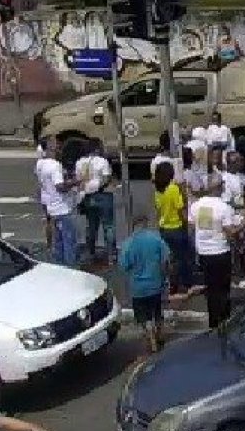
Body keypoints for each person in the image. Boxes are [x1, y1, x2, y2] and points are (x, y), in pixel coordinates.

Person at [188, 177, 239, 327]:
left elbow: (191, 225)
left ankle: (213, 321)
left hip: (204, 252)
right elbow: (231, 232)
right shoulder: (224, 207)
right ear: (220, 187)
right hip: (220, 251)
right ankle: (224, 320)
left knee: (211, 288)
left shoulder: (196, 205)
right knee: (223, 289)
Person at [119, 214, 171, 354]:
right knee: (157, 311)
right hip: (155, 284)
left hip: (137, 288)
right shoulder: (156, 238)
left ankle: (149, 333)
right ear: (146, 223)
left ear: (134, 226)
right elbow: (166, 260)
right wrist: (165, 278)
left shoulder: (128, 243)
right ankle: (159, 333)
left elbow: (124, 266)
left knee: (142, 315)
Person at [36, 140, 79, 266]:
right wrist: (75, 182)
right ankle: (71, 268)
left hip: (51, 206)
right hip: (62, 207)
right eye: (56, 148)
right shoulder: (55, 165)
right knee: (69, 241)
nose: (59, 151)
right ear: (48, 150)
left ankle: (59, 265)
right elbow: (60, 186)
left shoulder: (40, 163)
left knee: (58, 241)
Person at [153, 161, 192, 294]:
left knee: (170, 258)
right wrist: (187, 223)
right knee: (183, 258)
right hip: (176, 227)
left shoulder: (158, 191)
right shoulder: (173, 189)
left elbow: (158, 210)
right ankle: (184, 283)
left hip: (164, 228)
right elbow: (180, 209)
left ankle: (171, 284)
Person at [75, 139, 115, 263]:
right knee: (108, 226)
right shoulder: (102, 161)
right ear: (97, 149)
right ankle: (111, 255)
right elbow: (106, 178)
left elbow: (78, 180)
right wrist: (98, 186)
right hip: (102, 195)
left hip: (87, 197)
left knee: (91, 225)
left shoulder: (80, 162)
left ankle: (90, 252)